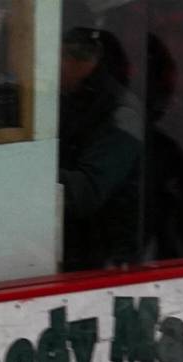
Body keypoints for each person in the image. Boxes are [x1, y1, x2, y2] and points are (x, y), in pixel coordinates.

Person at [58, 26, 143, 271]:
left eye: (56, 58)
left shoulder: (123, 113)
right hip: (74, 248)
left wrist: (28, 174)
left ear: (75, 61)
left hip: (108, 264)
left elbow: (88, 191)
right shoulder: (69, 98)